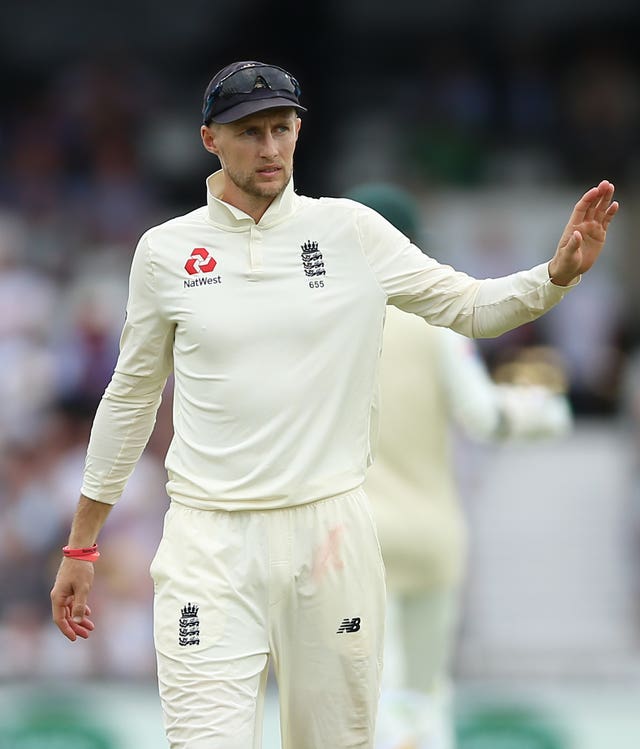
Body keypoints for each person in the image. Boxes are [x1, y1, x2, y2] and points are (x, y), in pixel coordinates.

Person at [49, 59, 618, 749]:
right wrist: (83, 540)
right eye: (251, 131)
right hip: (210, 540)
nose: (270, 148)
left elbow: (468, 305)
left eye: (282, 129)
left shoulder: (351, 232)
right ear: (210, 140)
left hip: (331, 534)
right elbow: (130, 397)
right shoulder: (167, 252)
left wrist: (554, 276)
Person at [347, 183, 573, 749]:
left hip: (353, 541)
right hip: (433, 536)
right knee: (425, 701)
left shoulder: (326, 325)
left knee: (370, 702)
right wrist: (544, 412)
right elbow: (483, 417)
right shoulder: (436, 324)